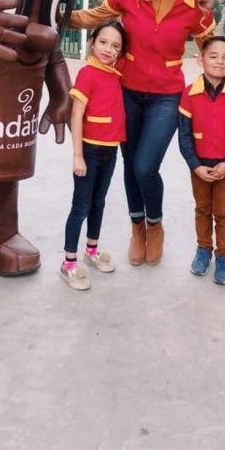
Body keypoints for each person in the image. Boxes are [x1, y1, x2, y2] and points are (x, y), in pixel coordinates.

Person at [66, 0, 219, 267]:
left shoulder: (198, 9)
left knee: (145, 166)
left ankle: (155, 224)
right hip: (127, 92)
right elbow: (96, 15)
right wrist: (58, 17)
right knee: (129, 165)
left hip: (166, 96)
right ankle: (137, 229)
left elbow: (214, 51)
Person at [178, 36, 225, 285]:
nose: (219, 62)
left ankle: (223, 256)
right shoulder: (189, 94)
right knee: (202, 210)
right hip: (199, 167)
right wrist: (195, 165)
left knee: (223, 213)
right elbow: (184, 135)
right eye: (213, 56)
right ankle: (203, 250)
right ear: (200, 60)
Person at [60, 22, 128, 290]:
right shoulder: (88, 74)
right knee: (81, 207)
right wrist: (78, 156)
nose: (108, 49)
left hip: (110, 151)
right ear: (92, 43)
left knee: (98, 203)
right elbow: (76, 115)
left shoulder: (114, 74)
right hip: (89, 150)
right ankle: (68, 263)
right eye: (103, 42)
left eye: (115, 46)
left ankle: (91, 250)